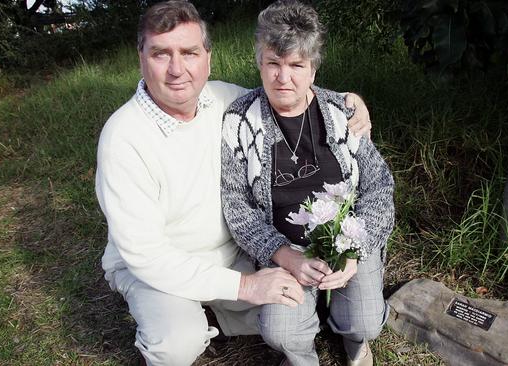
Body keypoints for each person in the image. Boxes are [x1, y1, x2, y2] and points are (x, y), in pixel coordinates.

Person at [94, 1, 372, 365]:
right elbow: (146, 255)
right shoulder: (123, 138)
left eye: (189, 52)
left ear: (207, 57)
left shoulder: (225, 98)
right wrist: (247, 286)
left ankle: (219, 313)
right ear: (141, 57)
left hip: (229, 255)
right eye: (161, 54)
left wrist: (350, 102)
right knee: (178, 343)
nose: (178, 70)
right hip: (155, 269)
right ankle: (188, 321)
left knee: (287, 315)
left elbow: (290, 88)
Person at [220, 1, 394, 365]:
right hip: (287, 252)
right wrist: (283, 255)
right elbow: (236, 205)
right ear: (260, 64)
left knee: (364, 323)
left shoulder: (341, 112)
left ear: (312, 69)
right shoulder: (239, 121)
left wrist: (355, 252)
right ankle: (301, 355)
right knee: (280, 332)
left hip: (349, 241)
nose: (284, 78)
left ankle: (355, 341)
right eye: (274, 64)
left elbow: (379, 186)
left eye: (297, 65)